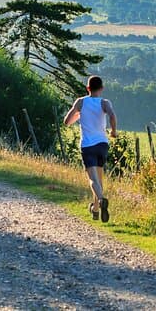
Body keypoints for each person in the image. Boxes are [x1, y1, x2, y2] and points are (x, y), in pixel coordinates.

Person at [63, 75, 118, 222]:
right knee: (99, 179)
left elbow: (67, 121)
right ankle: (95, 209)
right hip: (102, 144)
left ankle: (101, 200)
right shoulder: (105, 103)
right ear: (102, 88)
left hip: (87, 145)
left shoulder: (80, 102)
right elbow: (112, 116)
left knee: (93, 179)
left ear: (88, 88)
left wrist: (79, 115)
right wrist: (113, 131)